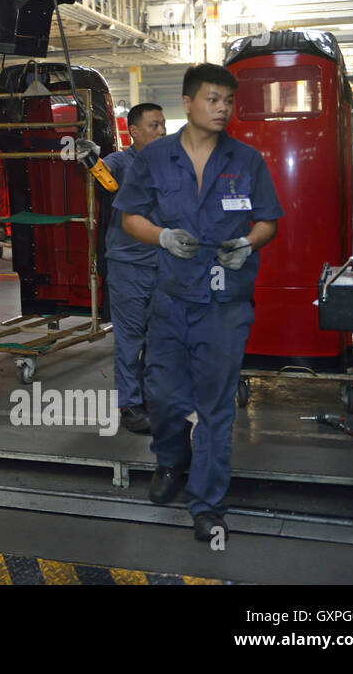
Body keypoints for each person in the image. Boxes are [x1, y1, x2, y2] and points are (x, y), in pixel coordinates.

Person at [114, 64, 282, 544]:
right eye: (213, 99)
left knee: (214, 408)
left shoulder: (246, 160)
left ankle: (208, 506)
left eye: (228, 100)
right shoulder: (155, 159)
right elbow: (129, 217)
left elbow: (268, 221)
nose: (223, 109)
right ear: (187, 103)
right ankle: (170, 462)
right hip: (171, 300)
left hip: (225, 304)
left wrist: (249, 242)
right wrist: (163, 235)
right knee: (165, 399)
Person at [92, 103, 167, 435]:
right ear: (133, 130)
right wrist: (88, 159)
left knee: (159, 337)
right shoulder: (120, 162)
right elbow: (102, 179)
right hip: (127, 266)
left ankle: (152, 398)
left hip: (163, 264)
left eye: (163, 125)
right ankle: (130, 405)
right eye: (154, 125)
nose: (162, 131)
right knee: (130, 339)